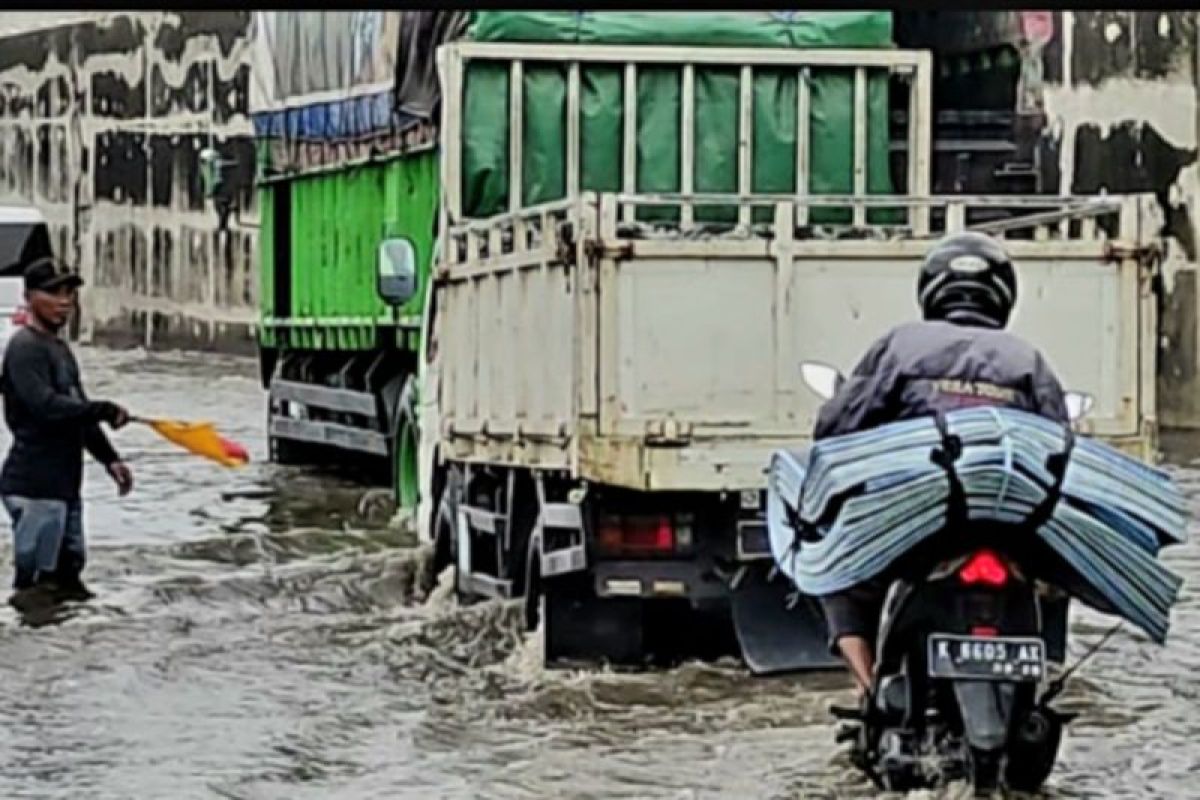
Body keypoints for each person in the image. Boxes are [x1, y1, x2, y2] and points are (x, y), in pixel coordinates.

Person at [811, 231, 1069, 696]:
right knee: (1057, 575)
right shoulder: (1028, 360)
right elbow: (1060, 449)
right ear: (1004, 295)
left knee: (835, 574)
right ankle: (1044, 671)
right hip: (1008, 531)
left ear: (931, 290)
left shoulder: (900, 345)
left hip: (917, 529)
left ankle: (869, 690)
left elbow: (837, 428)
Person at [0, 256, 133, 612]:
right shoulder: (24, 349)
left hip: (63, 487)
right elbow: (46, 407)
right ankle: (33, 661)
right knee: (37, 588)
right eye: (54, 292)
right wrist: (103, 409)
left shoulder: (59, 349)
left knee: (69, 581)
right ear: (29, 297)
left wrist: (110, 459)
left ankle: (68, 660)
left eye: (70, 292)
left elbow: (76, 410)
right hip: (34, 487)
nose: (65, 301)